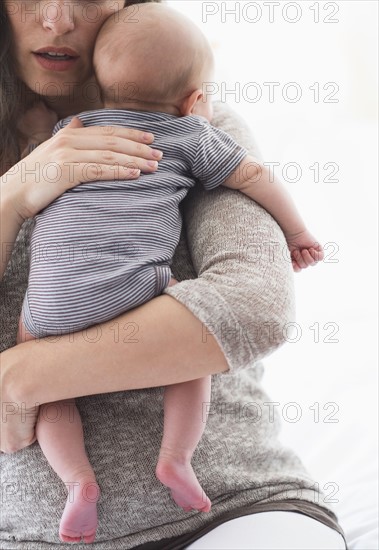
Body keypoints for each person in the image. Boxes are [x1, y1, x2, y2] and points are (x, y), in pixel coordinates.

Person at [0, 0, 347, 548]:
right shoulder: (178, 137)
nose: (59, 20)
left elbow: (254, 308)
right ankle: (172, 458)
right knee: (186, 330)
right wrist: (10, 200)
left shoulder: (199, 127)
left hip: (235, 506)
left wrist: (21, 378)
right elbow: (211, 315)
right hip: (29, 538)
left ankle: (81, 480)